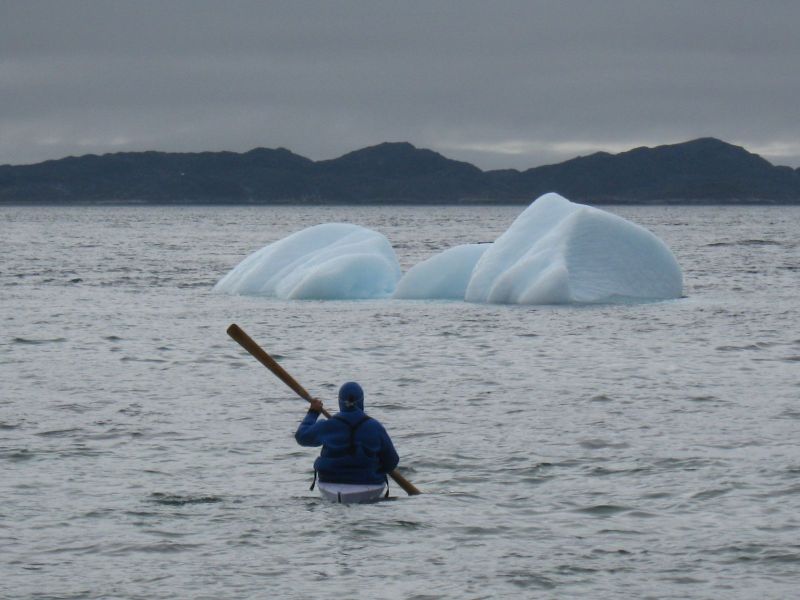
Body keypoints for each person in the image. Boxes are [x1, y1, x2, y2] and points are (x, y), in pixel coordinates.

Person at [294, 381, 399, 488]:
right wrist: (379, 470)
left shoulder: (328, 425)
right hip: (368, 483)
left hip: (330, 482)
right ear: (361, 401)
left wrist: (313, 412)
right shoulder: (375, 427)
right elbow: (392, 461)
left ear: (340, 402)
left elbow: (301, 436)